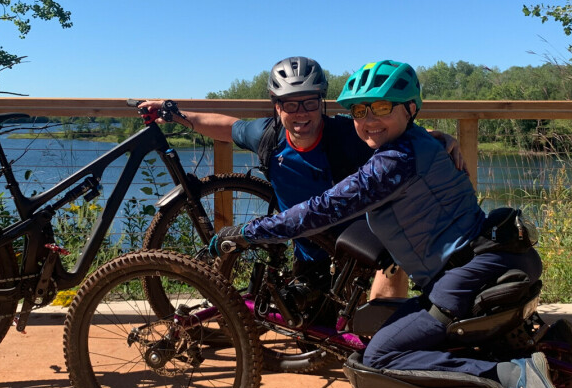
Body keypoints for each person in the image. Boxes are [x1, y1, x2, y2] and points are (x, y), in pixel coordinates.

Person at [208, 59, 563, 388]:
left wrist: (247, 232)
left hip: (468, 276)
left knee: (377, 359)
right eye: (359, 111)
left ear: (410, 109)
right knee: (378, 326)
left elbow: (319, 211)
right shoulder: (416, 143)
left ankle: (513, 375)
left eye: (380, 108)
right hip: (490, 259)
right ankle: (561, 354)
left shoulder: (394, 163)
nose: (367, 120)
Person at [142, 56, 461, 300]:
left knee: (374, 328)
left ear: (321, 101)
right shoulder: (267, 136)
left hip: (361, 249)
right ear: (276, 105)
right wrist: (172, 113)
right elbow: (225, 126)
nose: (301, 112)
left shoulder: (345, 136)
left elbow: (393, 135)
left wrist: (437, 138)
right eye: (290, 104)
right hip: (309, 252)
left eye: (309, 102)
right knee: (315, 336)